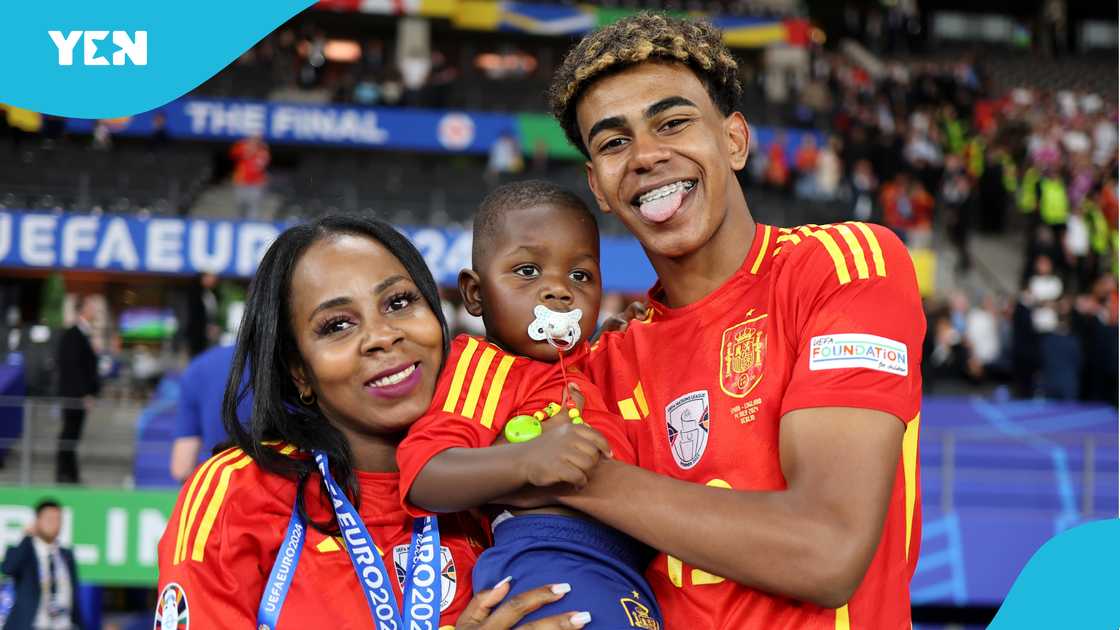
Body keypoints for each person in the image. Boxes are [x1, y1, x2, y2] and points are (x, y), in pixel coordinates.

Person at [535, 13, 924, 628]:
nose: (646, 156)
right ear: (599, 187)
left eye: (673, 122)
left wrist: (562, 476)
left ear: (735, 140)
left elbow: (827, 549)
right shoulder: (603, 362)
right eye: (614, 143)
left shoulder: (840, 266)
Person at [156, 215, 586, 630]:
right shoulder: (237, 492)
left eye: (399, 302)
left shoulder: (505, 472)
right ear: (299, 371)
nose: (382, 336)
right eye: (337, 325)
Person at [397, 181, 659, 628]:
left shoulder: (591, 365)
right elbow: (424, 474)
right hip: (547, 558)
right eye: (526, 271)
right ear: (475, 294)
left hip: (627, 568)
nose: (558, 290)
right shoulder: (485, 365)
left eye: (580, 276)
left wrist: (616, 338)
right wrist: (526, 460)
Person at [168, 342, 252, 482]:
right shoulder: (288, 363)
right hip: (282, 494)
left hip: (221, 490)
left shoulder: (198, 368)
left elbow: (182, 468)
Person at [1, 499, 83, 630]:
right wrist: (27, 537)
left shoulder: (66, 555)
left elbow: (74, 598)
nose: (54, 524)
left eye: (58, 519)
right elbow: (8, 568)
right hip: (33, 625)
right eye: (49, 519)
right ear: (37, 521)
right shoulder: (25, 552)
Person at [55, 296, 101, 484]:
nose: (95, 312)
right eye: (91, 307)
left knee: (73, 436)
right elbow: (73, 367)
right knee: (69, 434)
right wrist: (84, 394)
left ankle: (70, 474)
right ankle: (65, 474)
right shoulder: (73, 334)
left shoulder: (84, 334)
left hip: (78, 395)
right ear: (82, 310)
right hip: (73, 396)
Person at [230, 134, 270, 219]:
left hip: (255, 184)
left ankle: (251, 225)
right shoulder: (242, 147)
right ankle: (238, 224)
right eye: (252, 140)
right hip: (241, 182)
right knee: (239, 205)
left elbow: (258, 167)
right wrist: (245, 147)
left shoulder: (263, 152)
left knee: (253, 208)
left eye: (256, 140)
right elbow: (233, 153)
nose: (253, 142)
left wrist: (251, 152)